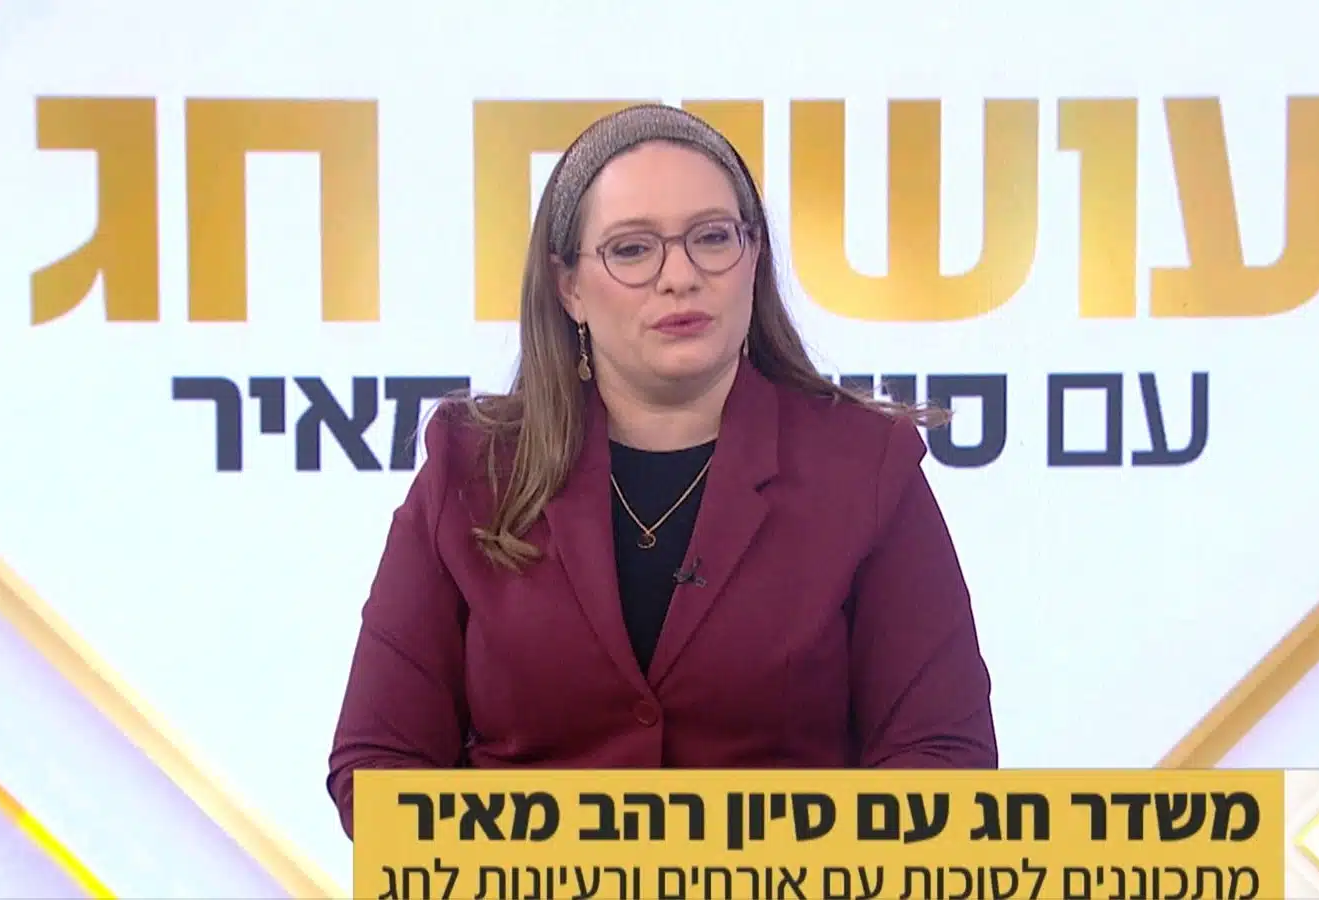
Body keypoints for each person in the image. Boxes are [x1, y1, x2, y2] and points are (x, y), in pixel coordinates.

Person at [327, 104, 996, 836]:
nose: (680, 276)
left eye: (712, 237)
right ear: (568, 287)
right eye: (633, 249)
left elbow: (943, 758)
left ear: (754, 258)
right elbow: (378, 766)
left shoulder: (865, 468)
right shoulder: (471, 468)